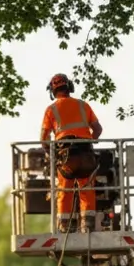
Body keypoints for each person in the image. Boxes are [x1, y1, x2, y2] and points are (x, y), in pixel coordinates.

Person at [39, 73, 103, 233]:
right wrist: (90, 142)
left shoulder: (51, 110)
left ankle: (65, 225)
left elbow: (44, 139)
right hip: (86, 155)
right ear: (70, 88)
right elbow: (98, 129)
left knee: (65, 190)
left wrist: (51, 153)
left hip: (66, 158)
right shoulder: (83, 105)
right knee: (87, 188)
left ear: (52, 92)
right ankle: (87, 225)